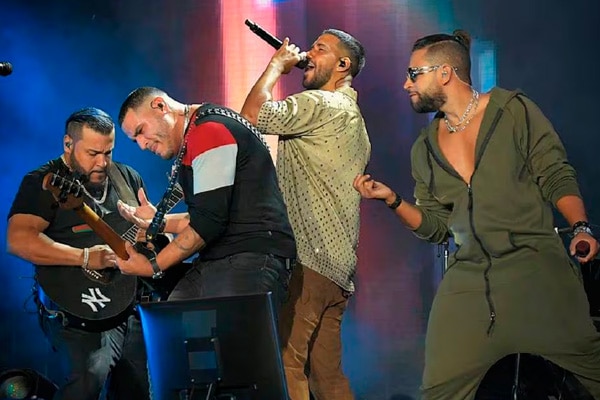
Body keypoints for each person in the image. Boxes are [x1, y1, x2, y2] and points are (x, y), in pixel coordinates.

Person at [353, 29, 600, 399]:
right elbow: (436, 227)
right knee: (438, 390)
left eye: (414, 74)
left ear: (445, 73)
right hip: (468, 282)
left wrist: (580, 227)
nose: (406, 84)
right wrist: (392, 200)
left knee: (592, 368)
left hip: (536, 271)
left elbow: (555, 174)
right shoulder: (425, 149)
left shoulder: (513, 111)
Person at [241, 29, 370, 400]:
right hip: (338, 268)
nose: (308, 54)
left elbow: (252, 115)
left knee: (287, 363)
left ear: (343, 65)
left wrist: (276, 66)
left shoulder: (321, 103)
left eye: (320, 49)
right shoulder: (355, 119)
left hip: (310, 260)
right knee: (327, 377)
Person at [6, 107, 149, 400]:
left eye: (108, 152)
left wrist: (153, 236)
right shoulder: (41, 181)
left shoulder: (128, 178)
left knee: (138, 388)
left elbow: (151, 236)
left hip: (129, 305)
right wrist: (83, 257)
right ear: (68, 144)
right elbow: (18, 240)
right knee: (87, 381)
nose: (102, 162)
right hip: (76, 310)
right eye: (93, 153)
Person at [115, 87, 296, 308]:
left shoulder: (209, 131)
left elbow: (207, 223)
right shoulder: (197, 133)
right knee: (173, 322)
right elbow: (209, 215)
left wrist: (152, 266)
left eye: (141, 131)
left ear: (161, 106)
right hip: (221, 257)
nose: (143, 145)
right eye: (135, 140)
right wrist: (158, 222)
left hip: (249, 257)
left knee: (195, 324)